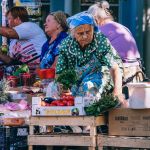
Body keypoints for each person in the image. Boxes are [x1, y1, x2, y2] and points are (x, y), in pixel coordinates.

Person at [56, 12, 128, 107]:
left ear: (93, 29)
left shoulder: (101, 41)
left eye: (88, 32)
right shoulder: (66, 45)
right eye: (80, 33)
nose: (85, 36)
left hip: (102, 73)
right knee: (68, 94)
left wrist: (117, 92)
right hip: (77, 77)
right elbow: (59, 72)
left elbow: (114, 68)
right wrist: (62, 88)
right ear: (73, 34)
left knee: (89, 87)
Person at [88, 1, 144, 84]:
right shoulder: (122, 27)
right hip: (136, 71)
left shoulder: (100, 31)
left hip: (122, 72)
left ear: (95, 18)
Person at [0, 6, 47, 72]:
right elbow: (12, 61)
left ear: (17, 19)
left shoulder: (29, 26)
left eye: (9, 19)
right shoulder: (13, 42)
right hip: (27, 75)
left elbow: (8, 33)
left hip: (42, 71)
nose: (7, 22)